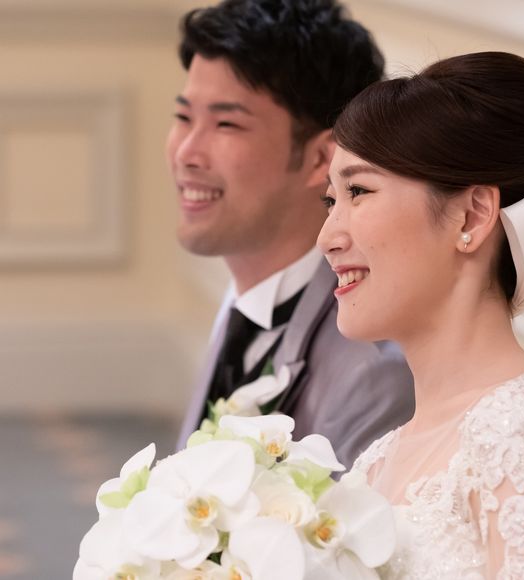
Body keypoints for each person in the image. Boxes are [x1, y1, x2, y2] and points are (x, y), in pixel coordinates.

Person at [168, 0, 415, 467]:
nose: (185, 152)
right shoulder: (245, 299)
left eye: (225, 124)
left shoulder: (372, 373)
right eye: (183, 117)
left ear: (323, 158)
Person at [317, 51, 524, 577]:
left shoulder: (518, 435)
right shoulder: (376, 462)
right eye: (330, 201)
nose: (327, 238)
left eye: (358, 191)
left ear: (472, 216)